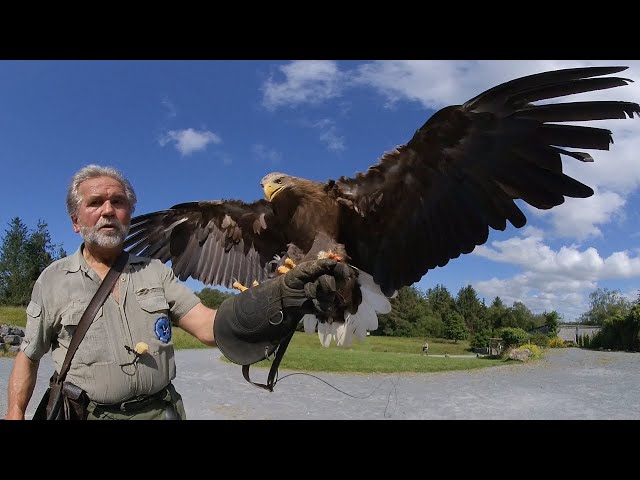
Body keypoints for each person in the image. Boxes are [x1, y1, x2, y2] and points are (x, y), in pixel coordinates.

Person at [4, 164, 343, 420]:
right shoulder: (53, 279)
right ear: (76, 221)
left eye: (118, 202)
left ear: (129, 213)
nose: (108, 210)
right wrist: (14, 415)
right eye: (95, 203)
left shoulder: (154, 272)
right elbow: (28, 356)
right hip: (89, 414)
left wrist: (279, 298)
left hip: (160, 412)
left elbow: (210, 328)